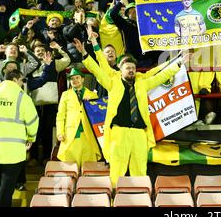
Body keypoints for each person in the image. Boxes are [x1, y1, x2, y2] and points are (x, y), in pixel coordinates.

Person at [73, 36, 186, 186]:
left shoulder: (142, 84)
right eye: (128, 68)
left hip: (139, 133)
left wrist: (178, 63)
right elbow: (96, 70)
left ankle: (140, 201)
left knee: (140, 170)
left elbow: (161, 76)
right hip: (119, 132)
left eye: (133, 68)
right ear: (120, 70)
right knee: (117, 170)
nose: (131, 70)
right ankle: (114, 198)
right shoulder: (112, 83)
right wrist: (85, 53)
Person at [0, 70, 39, 207]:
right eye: (22, 80)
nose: (22, 84)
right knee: (7, 187)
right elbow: (33, 121)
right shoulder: (22, 97)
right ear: (15, 79)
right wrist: (31, 138)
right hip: (14, 150)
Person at [56, 68, 102, 168]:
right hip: (71, 134)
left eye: (77, 78)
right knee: (70, 167)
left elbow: (98, 115)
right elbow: (60, 115)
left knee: (88, 166)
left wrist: (91, 102)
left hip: (88, 135)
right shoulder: (65, 95)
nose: (75, 80)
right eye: (72, 79)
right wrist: (60, 132)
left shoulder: (92, 95)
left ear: (82, 79)